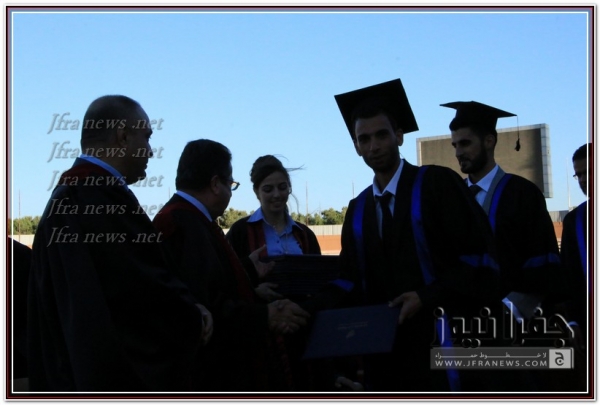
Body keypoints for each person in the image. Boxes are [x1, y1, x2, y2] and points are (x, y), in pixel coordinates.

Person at [28, 95, 212, 392]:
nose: (150, 150)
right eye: (146, 137)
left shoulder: (68, 198)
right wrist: (193, 316)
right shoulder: (99, 199)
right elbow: (142, 290)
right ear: (123, 137)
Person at [332, 79, 501, 391]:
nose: (373, 146)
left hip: (444, 341)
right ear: (356, 146)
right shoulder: (357, 210)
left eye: (382, 134)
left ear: (398, 136)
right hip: (385, 356)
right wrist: (300, 309)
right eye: (364, 139)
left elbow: (478, 260)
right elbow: (348, 281)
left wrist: (426, 296)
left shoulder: (438, 184)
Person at [152, 139, 311, 391]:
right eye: (230, 184)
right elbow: (207, 304)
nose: (230, 191)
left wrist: (246, 269)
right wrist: (265, 315)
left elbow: (208, 283)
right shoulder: (183, 224)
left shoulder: (188, 219)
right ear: (216, 184)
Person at [441, 100, 565, 390]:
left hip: (516, 331)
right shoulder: (451, 200)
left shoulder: (523, 194)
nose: (458, 152)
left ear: (489, 140)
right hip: (462, 332)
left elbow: (542, 265)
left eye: (465, 143)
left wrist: (505, 313)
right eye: (455, 145)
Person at [226, 154, 321, 303]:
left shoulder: (305, 234)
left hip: (303, 313)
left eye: (282, 187)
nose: (276, 194)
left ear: (289, 187)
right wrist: (254, 293)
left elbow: (319, 279)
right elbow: (226, 280)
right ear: (256, 192)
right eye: (268, 189)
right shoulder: (240, 232)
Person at [559, 143, 592, 391]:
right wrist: (572, 322)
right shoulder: (575, 221)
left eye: (588, 172)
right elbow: (568, 276)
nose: (582, 180)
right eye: (578, 174)